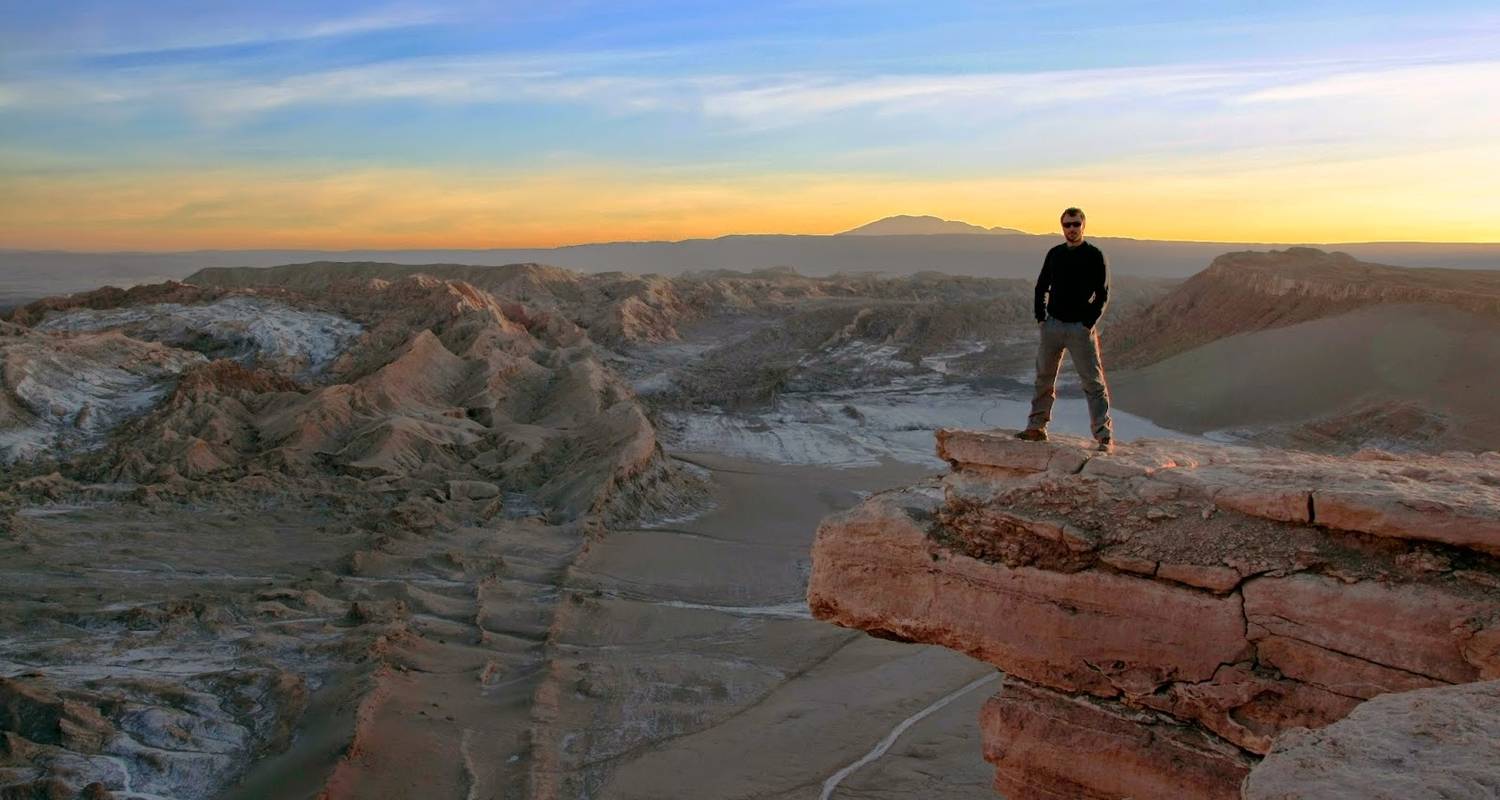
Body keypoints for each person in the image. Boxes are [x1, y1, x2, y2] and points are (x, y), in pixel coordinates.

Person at [1016, 207, 1114, 452]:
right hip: (1053, 325)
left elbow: (1102, 293)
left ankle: (1103, 436)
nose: (1072, 229)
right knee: (1044, 378)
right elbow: (1041, 287)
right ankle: (1036, 428)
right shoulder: (1055, 254)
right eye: (1067, 225)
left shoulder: (1094, 255)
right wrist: (1041, 318)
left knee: (1093, 382)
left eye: (1076, 224)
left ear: (1084, 226)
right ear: (1062, 227)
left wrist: (1088, 323)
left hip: (1079, 329)